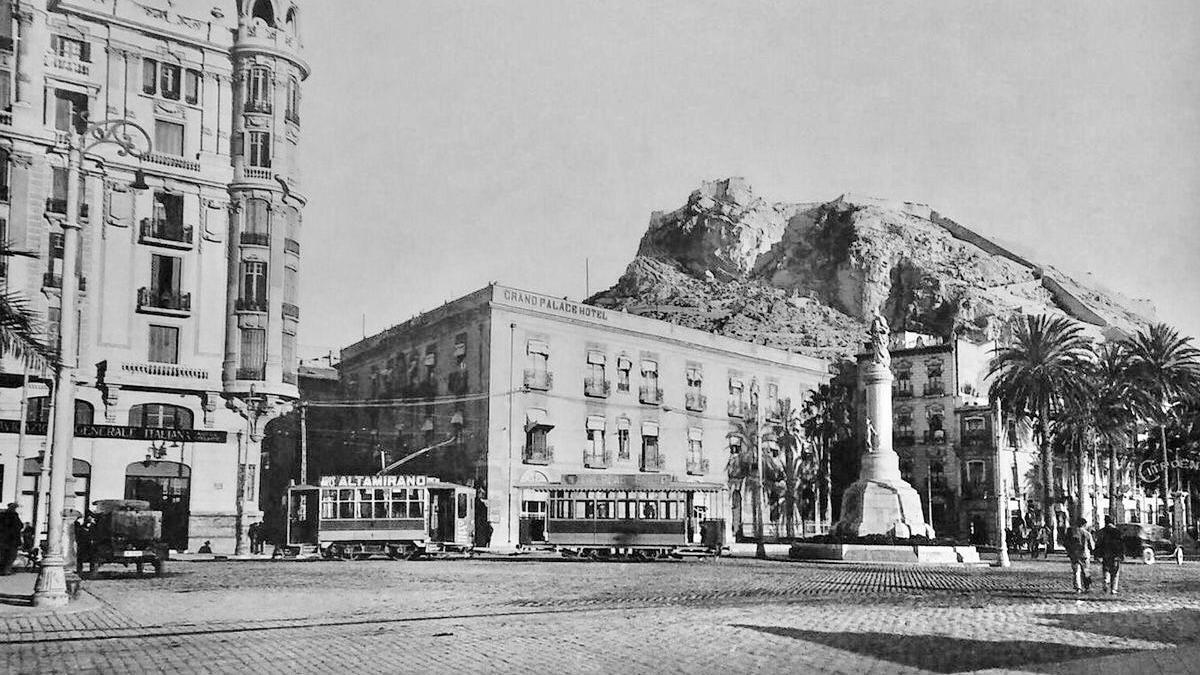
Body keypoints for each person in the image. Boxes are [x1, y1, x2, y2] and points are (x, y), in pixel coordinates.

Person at [1095, 515, 1125, 595]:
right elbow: (1121, 544)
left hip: (1105, 554)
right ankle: (1114, 589)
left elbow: (1098, 544)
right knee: (1115, 572)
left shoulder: (1101, 532)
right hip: (1115, 554)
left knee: (1106, 569)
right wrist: (1121, 554)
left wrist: (1097, 555)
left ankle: (1106, 582)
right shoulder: (1117, 532)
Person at [1065, 517, 1095, 593]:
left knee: (1076, 571)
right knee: (1086, 571)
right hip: (1084, 554)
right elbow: (1092, 546)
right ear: (1084, 524)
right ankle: (1087, 586)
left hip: (1074, 554)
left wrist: (1069, 551)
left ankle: (1078, 587)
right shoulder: (1087, 534)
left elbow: (1066, 543)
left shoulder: (1072, 533)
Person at [0, 503, 23, 575]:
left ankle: (4, 570)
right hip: (12, 539)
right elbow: (19, 525)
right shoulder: (14, 515)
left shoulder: (2, 515)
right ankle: (6, 570)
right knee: (11, 555)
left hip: (3, 539)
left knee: (3, 555)